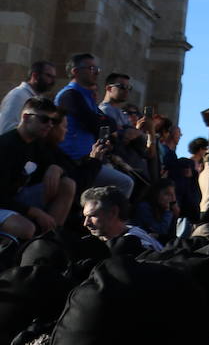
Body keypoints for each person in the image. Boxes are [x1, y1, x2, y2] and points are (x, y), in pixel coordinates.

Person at [54, 53, 134, 197]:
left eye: (96, 68)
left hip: (87, 159)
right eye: (91, 68)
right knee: (124, 183)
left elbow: (106, 122)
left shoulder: (85, 96)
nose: (96, 72)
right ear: (75, 71)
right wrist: (108, 126)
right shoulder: (70, 95)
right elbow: (93, 122)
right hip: (73, 160)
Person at [0, 97, 78, 239]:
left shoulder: (37, 143)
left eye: (53, 121)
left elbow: (70, 168)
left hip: (16, 198)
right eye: (44, 119)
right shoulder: (5, 146)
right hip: (2, 202)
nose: (49, 125)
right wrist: (34, 211)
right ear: (26, 117)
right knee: (25, 228)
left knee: (67, 184)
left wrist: (56, 168)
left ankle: (49, 241)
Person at [80, 185, 162, 252]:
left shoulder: (136, 246)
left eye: (92, 215)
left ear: (113, 212)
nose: (86, 223)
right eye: (85, 217)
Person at [0, 60, 57, 133]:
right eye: (48, 76)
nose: (52, 81)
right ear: (35, 76)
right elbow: (6, 130)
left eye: (53, 77)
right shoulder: (18, 95)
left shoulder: (35, 97)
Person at [133, 178, 179, 244]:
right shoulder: (144, 207)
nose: (173, 198)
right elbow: (160, 231)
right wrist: (167, 212)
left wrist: (175, 216)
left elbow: (171, 237)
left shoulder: (169, 208)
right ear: (156, 193)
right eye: (167, 194)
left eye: (173, 194)